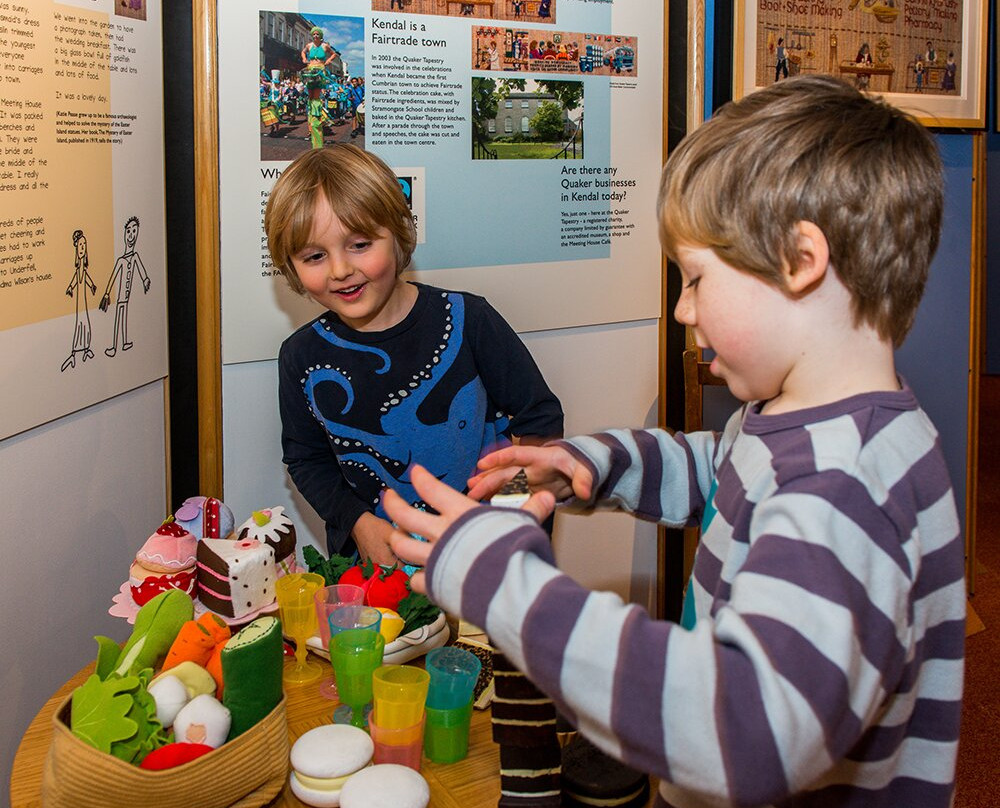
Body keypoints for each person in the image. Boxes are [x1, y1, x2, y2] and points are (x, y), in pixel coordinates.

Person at [384, 75, 965, 808]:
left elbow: (746, 732)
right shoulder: (805, 420)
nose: (684, 309)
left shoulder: (845, 485)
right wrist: (589, 463)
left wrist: (504, 581)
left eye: (694, 278)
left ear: (798, 260)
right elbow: (719, 471)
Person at [265, 145, 563, 563]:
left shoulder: (469, 319)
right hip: (376, 574)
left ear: (398, 232)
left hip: (488, 557)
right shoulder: (299, 355)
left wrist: (512, 517)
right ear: (291, 264)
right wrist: (359, 524)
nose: (339, 270)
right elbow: (306, 459)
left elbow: (540, 421)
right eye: (315, 256)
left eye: (360, 244)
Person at [100, 216, 150, 356]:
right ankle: (114, 346)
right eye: (129, 231)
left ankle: (124, 342)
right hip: (121, 296)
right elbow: (113, 277)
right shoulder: (121, 261)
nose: (131, 235)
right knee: (118, 318)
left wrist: (145, 280)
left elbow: (141, 270)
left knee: (125, 316)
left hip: (127, 297)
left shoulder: (134, 257)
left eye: (134, 231)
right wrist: (107, 293)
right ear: (124, 233)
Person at [61, 229, 97, 371]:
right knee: (79, 324)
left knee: (85, 323)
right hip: (80, 304)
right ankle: (75, 351)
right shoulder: (78, 271)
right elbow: (75, 281)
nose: (82, 248)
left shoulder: (83, 270)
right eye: (80, 245)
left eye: (84, 245)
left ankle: (86, 348)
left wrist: (93, 285)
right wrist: (70, 288)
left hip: (84, 303)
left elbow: (86, 279)